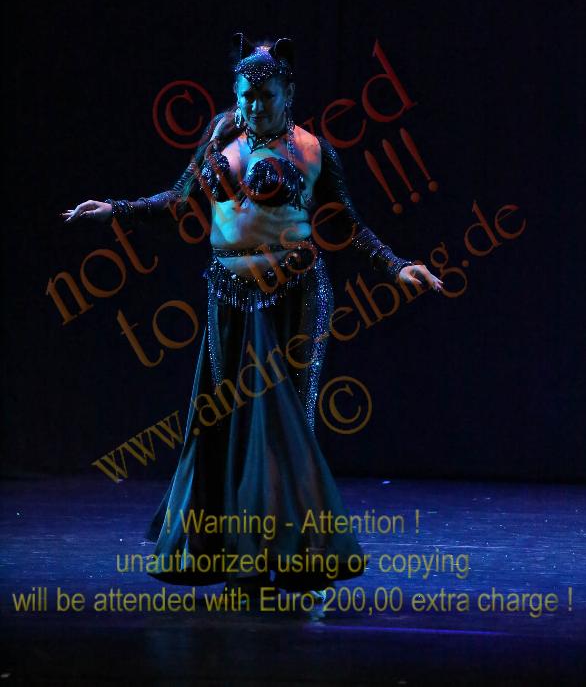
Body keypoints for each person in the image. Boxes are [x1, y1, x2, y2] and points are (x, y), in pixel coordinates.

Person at [62, 33, 443, 600]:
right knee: (229, 424)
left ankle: (300, 559)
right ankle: (239, 559)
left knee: (284, 426)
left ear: (288, 93)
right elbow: (177, 202)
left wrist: (396, 265)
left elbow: (347, 226)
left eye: (265, 96)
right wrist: (115, 210)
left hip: (294, 294)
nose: (253, 105)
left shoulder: (312, 150)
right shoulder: (220, 138)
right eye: (245, 95)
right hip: (228, 295)